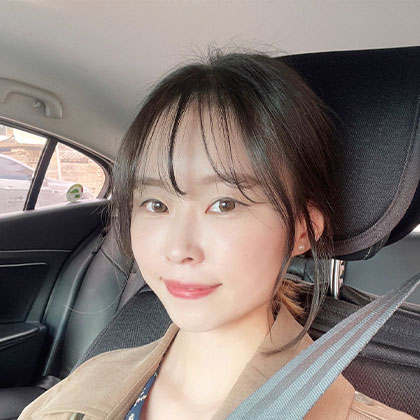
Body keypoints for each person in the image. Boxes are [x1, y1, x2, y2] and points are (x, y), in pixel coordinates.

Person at [18, 51, 414, 420]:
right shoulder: (85, 384)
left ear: (300, 228)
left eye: (224, 204)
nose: (178, 249)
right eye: (156, 204)